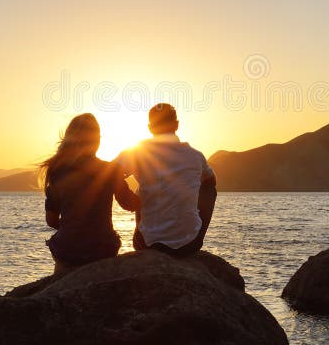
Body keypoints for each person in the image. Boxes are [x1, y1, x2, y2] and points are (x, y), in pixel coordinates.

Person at [40, 113, 140, 273]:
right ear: (97, 140)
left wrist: (73, 229)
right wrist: (136, 178)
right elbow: (131, 204)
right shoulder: (110, 170)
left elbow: (51, 220)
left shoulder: (57, 171)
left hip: (68, 252)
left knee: (62, 270)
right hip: (102, 251)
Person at [113, 103, 217, 256]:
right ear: (176, 125)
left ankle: (150, 231)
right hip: (188, 245)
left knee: (140, 189)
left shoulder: (137, 152)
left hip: (146, 244)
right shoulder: (196, 156)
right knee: (209, 188)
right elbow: (210, 181)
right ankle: (194, 232)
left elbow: (107, 175)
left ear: (150, 128)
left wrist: (123, 194)